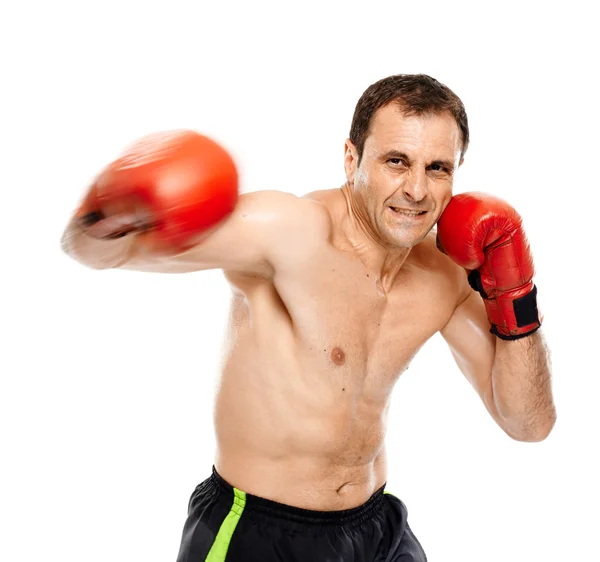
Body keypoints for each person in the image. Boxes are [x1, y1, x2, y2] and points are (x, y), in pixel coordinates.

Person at [61, 74, 557, 561]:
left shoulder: (442, 275)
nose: (416, 190)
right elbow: (94, 250)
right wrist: (112, 206)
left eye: (438, 168)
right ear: (351, 159)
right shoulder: (289, 233)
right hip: (259, 533)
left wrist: (515, 292)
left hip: (375, 527)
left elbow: (528, 423)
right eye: (396, 162)